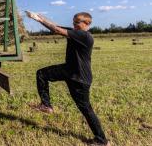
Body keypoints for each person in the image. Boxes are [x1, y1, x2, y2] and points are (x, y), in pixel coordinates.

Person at [25, 11, 109, 146]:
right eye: (73, 22)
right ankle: (46, 105)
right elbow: (55, 26)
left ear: (87, 23)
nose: (74, 24)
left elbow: (57, 29)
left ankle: (102, 140)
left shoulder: (84, 36)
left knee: (86, 109)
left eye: (77, 22)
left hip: (79, 77)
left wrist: (37, 19)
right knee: (42, 74)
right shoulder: (76, 32)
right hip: (68, 71)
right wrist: (39, 17)